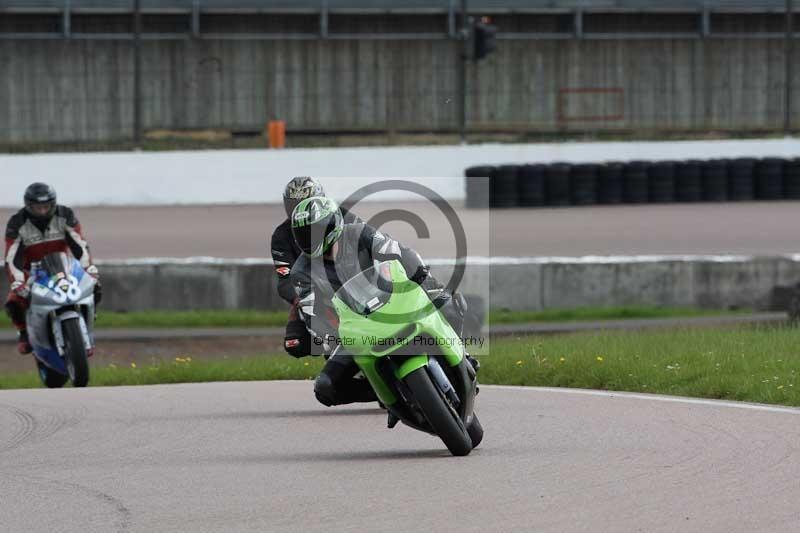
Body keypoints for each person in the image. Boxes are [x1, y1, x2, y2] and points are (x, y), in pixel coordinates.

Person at [289, 196, 476, 407]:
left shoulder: (360, 233)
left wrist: (425, 281)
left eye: (315, 231)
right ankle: (385, 391)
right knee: (325, 388)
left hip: (396, 301)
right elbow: (313, 314)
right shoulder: (300, 272)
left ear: (333, 224)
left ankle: (463, 358)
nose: (310, 238)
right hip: (357, 328)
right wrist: (332, 337)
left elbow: (399, 252)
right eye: (303, 234)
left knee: (448, 302)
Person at [4, 183, 100, 354]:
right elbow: (12, 256)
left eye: (46, 206)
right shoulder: (16, 223)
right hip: (32, 271)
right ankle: (24, 333)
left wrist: (89, 268)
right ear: (28, 206)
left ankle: (88, 318)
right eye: (37, 207)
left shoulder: (65, 215)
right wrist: (17, 282)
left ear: (53, 204)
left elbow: (79, 243)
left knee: (95, 285)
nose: (42, 211)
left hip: (63, 266)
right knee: (13, 301)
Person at [270, 177, 359, 358]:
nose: (298, 210)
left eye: (304, 204)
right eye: (292, 205)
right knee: (296, 344)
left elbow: (369, 245)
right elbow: (284, 280)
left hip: (352, 284)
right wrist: (302, 301)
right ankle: (334, 354)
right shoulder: (281, 235)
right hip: (312, 292)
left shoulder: (343, 216)